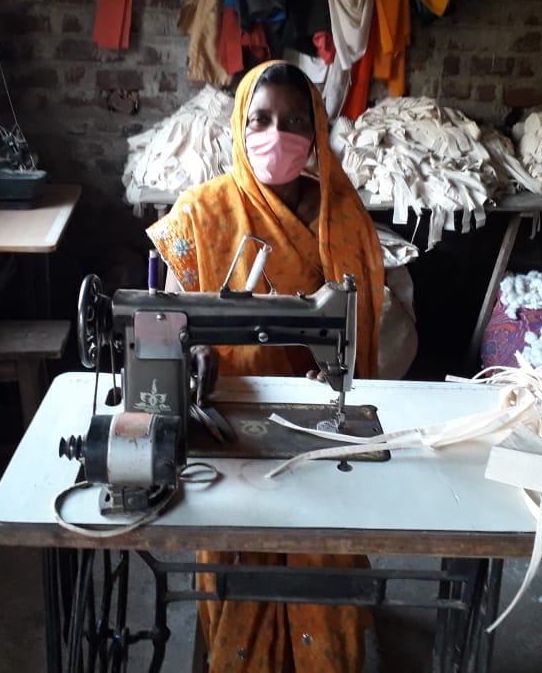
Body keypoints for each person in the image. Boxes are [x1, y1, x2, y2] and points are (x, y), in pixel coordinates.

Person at [147, 60, 385, 673]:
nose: (276, 135)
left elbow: (362, 328)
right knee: (232, 553)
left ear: (316, 130)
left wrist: (340, 374)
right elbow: (167, 321)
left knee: (328, 550)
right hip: (227, 416)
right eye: (261, 119)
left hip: (314, 419)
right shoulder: (203, 214)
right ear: (238, 124)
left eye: (294, 121)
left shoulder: (342, 215)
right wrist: (188, 349)